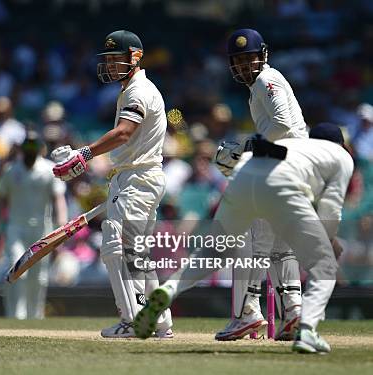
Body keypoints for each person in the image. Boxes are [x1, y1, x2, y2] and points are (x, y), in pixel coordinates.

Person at [135, 124, 354, 354]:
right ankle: (307, 330)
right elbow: (331, 212)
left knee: (214, 252)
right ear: (341, 145)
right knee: (324, 264)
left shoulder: (293, 144)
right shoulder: (340, 157)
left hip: (245, 175)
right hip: (280, 183)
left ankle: (169, 289)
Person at [51, 30, 172, 338]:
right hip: (138, 177)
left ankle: (133, 320)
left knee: (115, 248)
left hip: (138, 178)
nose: (110, 66)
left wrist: (85, 153)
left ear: (135, 58)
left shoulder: (137, 91)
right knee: (137, 252)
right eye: (107, 60)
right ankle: (159, 320)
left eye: (116, 60)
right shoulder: (131, 88)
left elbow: (123, 133)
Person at [213, 28, 308, 340]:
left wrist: (244, 147)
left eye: (249, 59)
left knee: (258, 243)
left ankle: (248, 312)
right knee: (280, 245)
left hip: (281, 165)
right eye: (238, 62)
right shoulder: (258, 85)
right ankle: (293, 312)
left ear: (262, 55)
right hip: (291, 167)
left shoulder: (267, 80)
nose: (244, 67)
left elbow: (283, 123)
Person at [0, 131, 67, 319]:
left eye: (34, 146)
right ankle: (15, 316)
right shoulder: (11, 170)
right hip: (16, 227)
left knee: (39, 276)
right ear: (21, 148)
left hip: (42, 230)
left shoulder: (49, 170)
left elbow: (58, 198)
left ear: (39, 148)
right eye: (27, 145)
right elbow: (1, 197)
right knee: (16, 268)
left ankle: (35, 317)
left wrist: (61, 225)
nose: (30, 150)